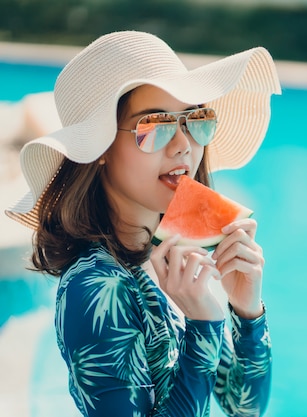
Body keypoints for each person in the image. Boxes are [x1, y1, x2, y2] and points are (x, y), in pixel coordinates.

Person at [5, 31, 281, 416]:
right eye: (153, 126)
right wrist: (202, 322)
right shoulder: (96, 287)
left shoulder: (170, 258)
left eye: (195, 120)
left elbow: (242, 407)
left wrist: (246, 311)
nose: (184, 144)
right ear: (99, 149)